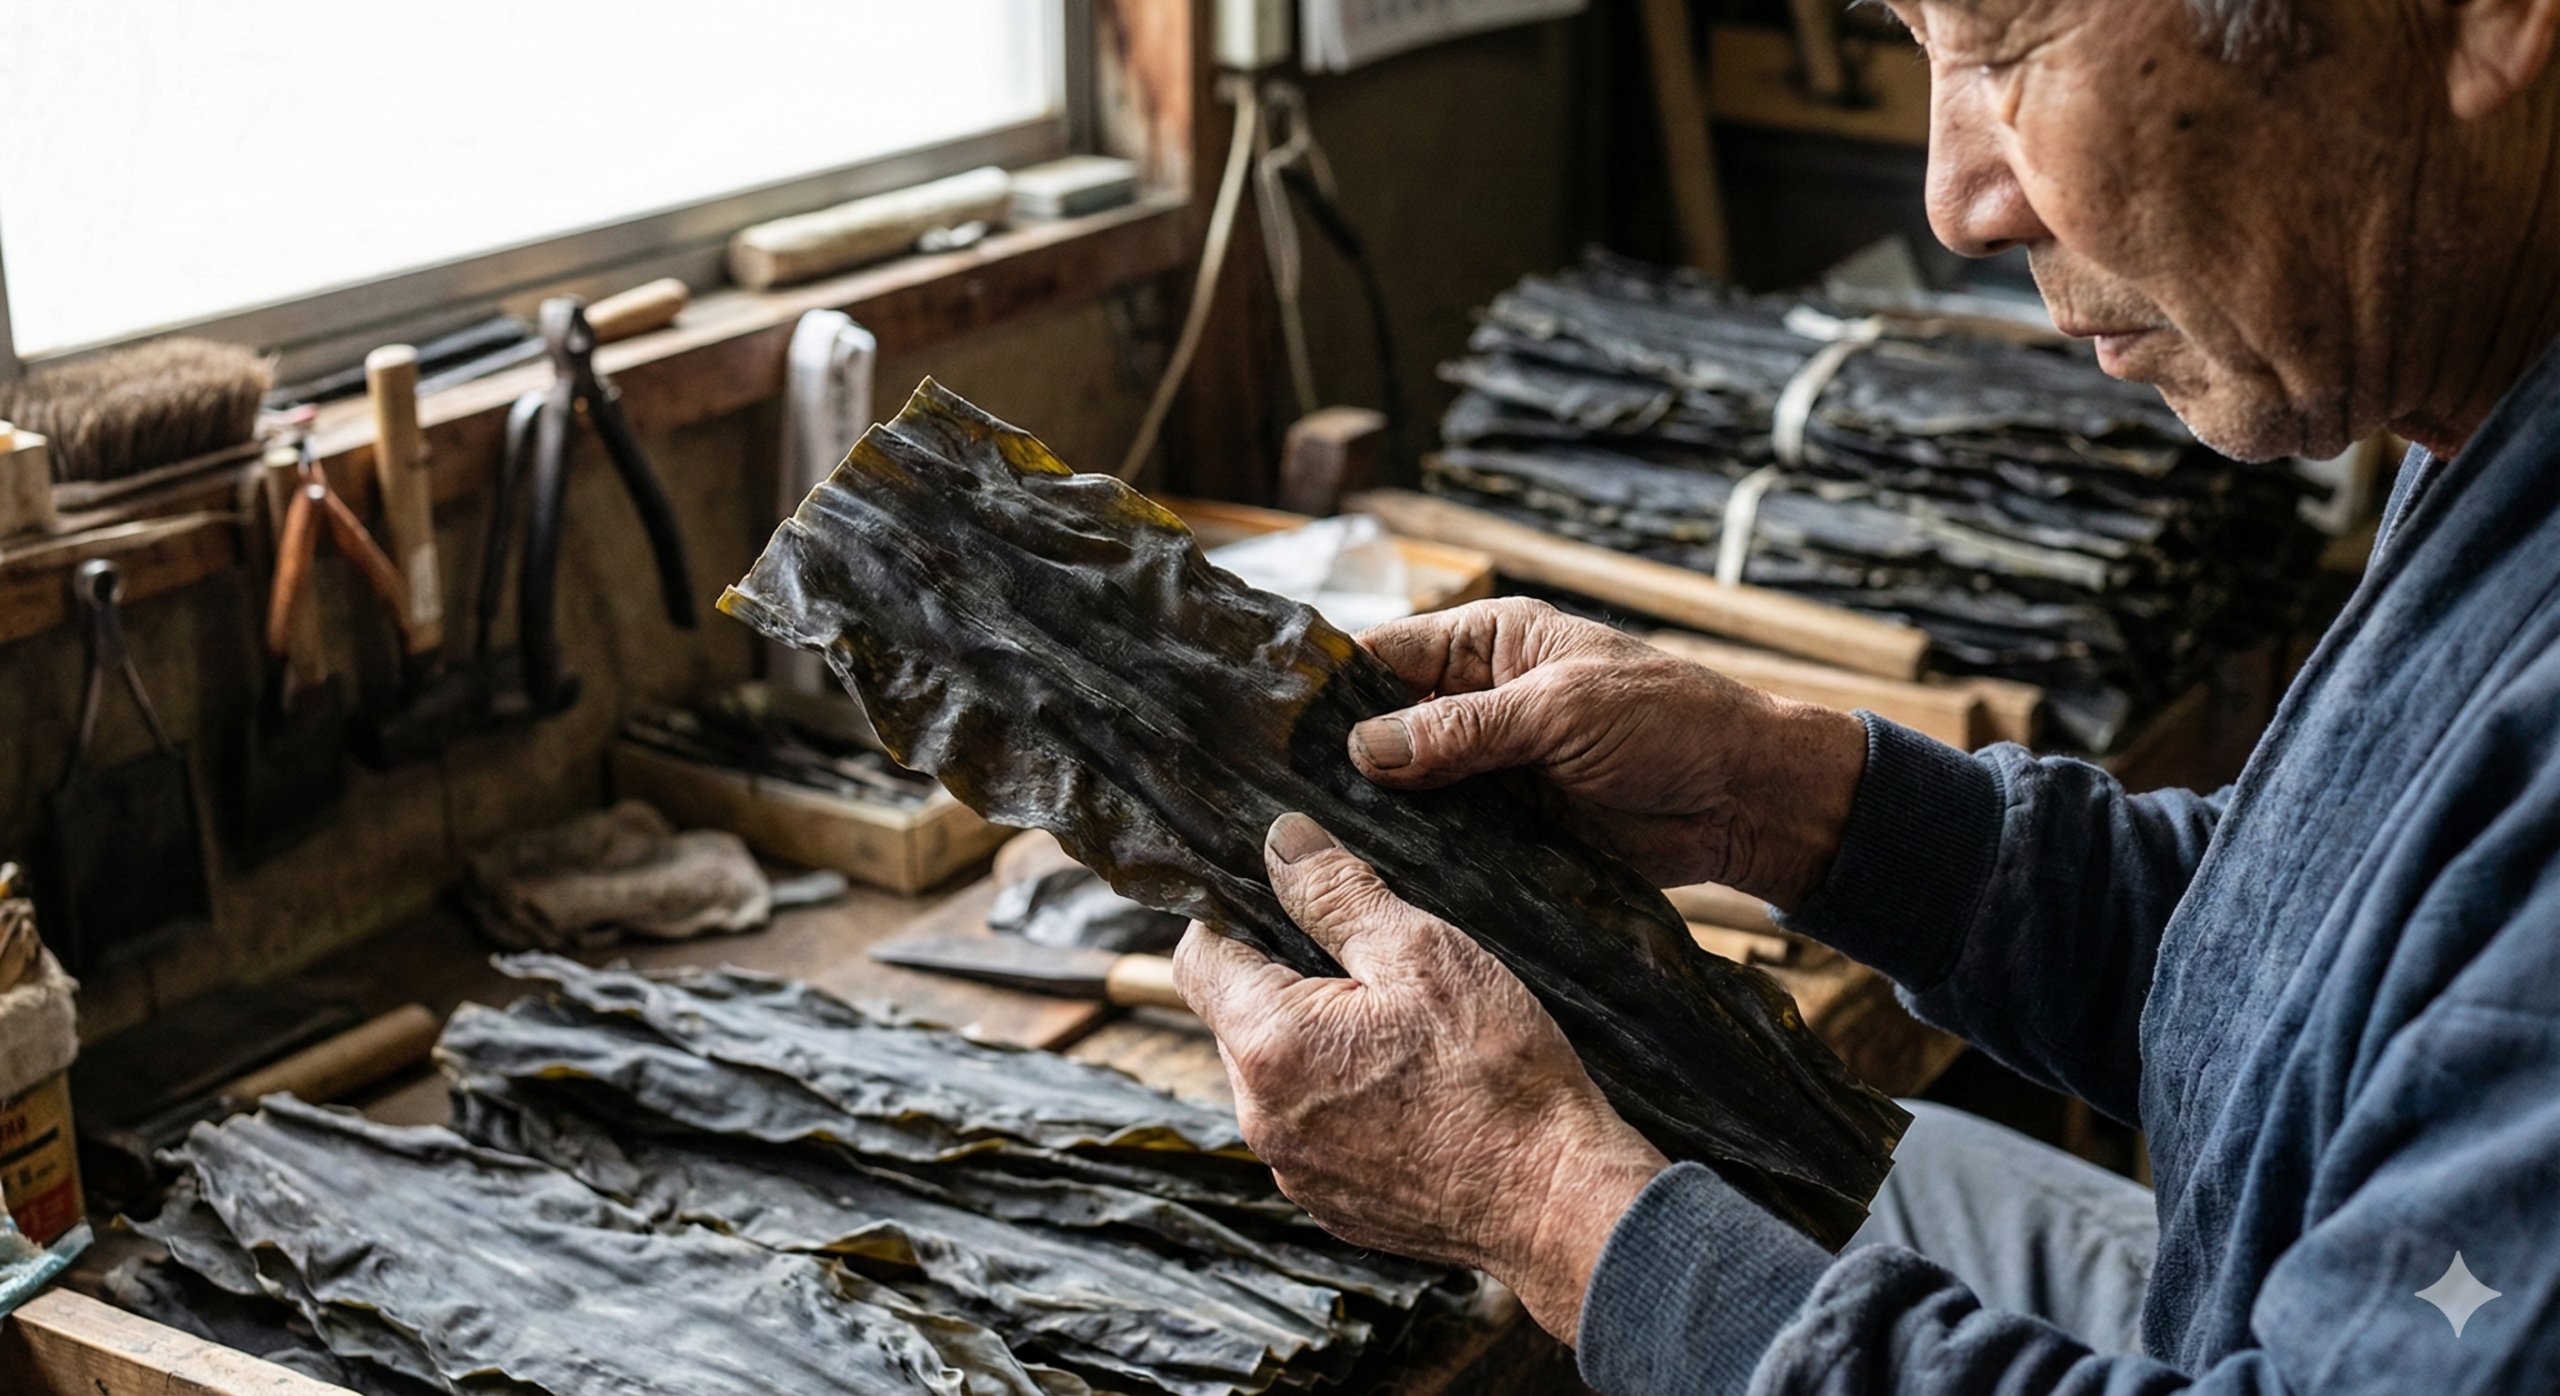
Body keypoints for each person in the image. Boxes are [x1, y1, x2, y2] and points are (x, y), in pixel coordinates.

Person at [1169, 0, 2560, 1389]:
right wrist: (1781, 795)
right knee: (1793, 1163)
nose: (1956, 202)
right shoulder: (2487, 410)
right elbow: (2332, 952)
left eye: (2008, 45)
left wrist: (1547, 1208)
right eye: (1917, 40)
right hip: (2291, 1278)